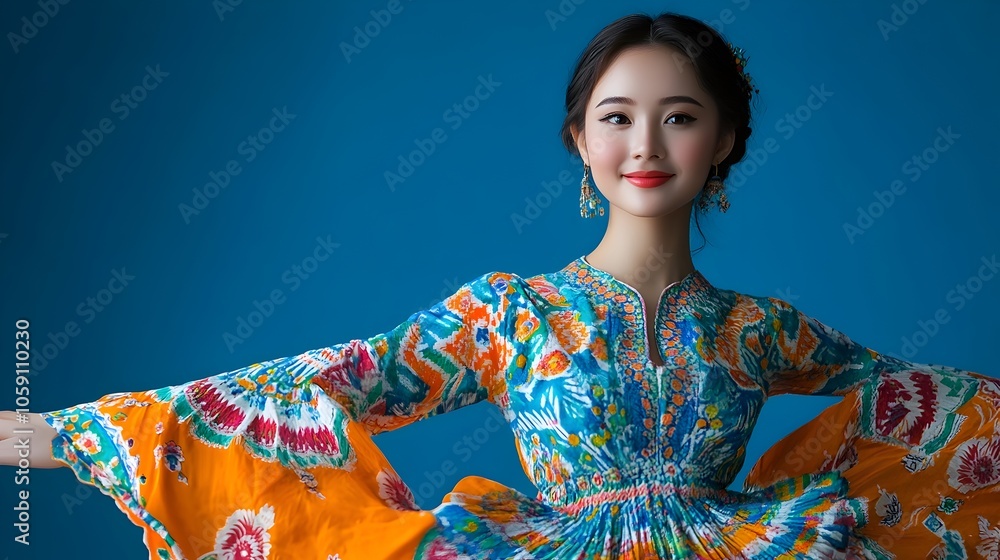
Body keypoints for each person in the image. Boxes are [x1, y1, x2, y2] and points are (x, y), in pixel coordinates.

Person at [2, 11, 998, 559]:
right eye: (616, 116)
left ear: (726, 137)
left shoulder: (758, 328)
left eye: (679, 115)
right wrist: (69, 429)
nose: (644, 144)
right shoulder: (509, 314)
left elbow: (936, 406)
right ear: (579, 137)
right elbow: (323, 380)